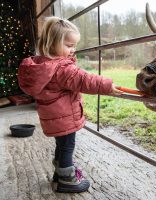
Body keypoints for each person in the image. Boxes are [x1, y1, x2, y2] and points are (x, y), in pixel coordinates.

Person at [17, 16, 123, 193]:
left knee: (62, 145)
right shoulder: (62, 68)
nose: (73, 50)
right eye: (68, 45)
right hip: (65, 117)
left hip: (54, 117)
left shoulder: (44, 65)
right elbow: (84, 80)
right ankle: (67, 179)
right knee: (67, 146)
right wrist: (107, 86)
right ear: (52, 43)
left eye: (74, 45)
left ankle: (60, 174)